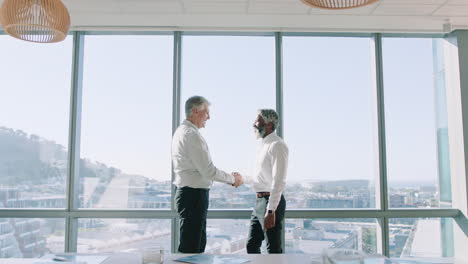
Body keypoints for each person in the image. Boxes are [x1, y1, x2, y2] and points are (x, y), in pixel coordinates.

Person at [172, 95, 243, 253]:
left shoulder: (183, 132)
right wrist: (233, 179)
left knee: (193, 244)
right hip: (193, 195)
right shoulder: (191, 135)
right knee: (192, 248)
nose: (209, 117)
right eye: (206, 112)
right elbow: (208, 171)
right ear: (196, 111)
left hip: (190, 194)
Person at [241, 109, 289, 254]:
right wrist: (238, 179)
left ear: (269, 124)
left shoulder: (277, 145)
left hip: (271, 202)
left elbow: (278, 180)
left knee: (273, 249)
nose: (254, 124)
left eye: (258, 121)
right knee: (252, 245)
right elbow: (260, 178)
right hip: (260, 202)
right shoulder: (263, 146)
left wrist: (271, 210)